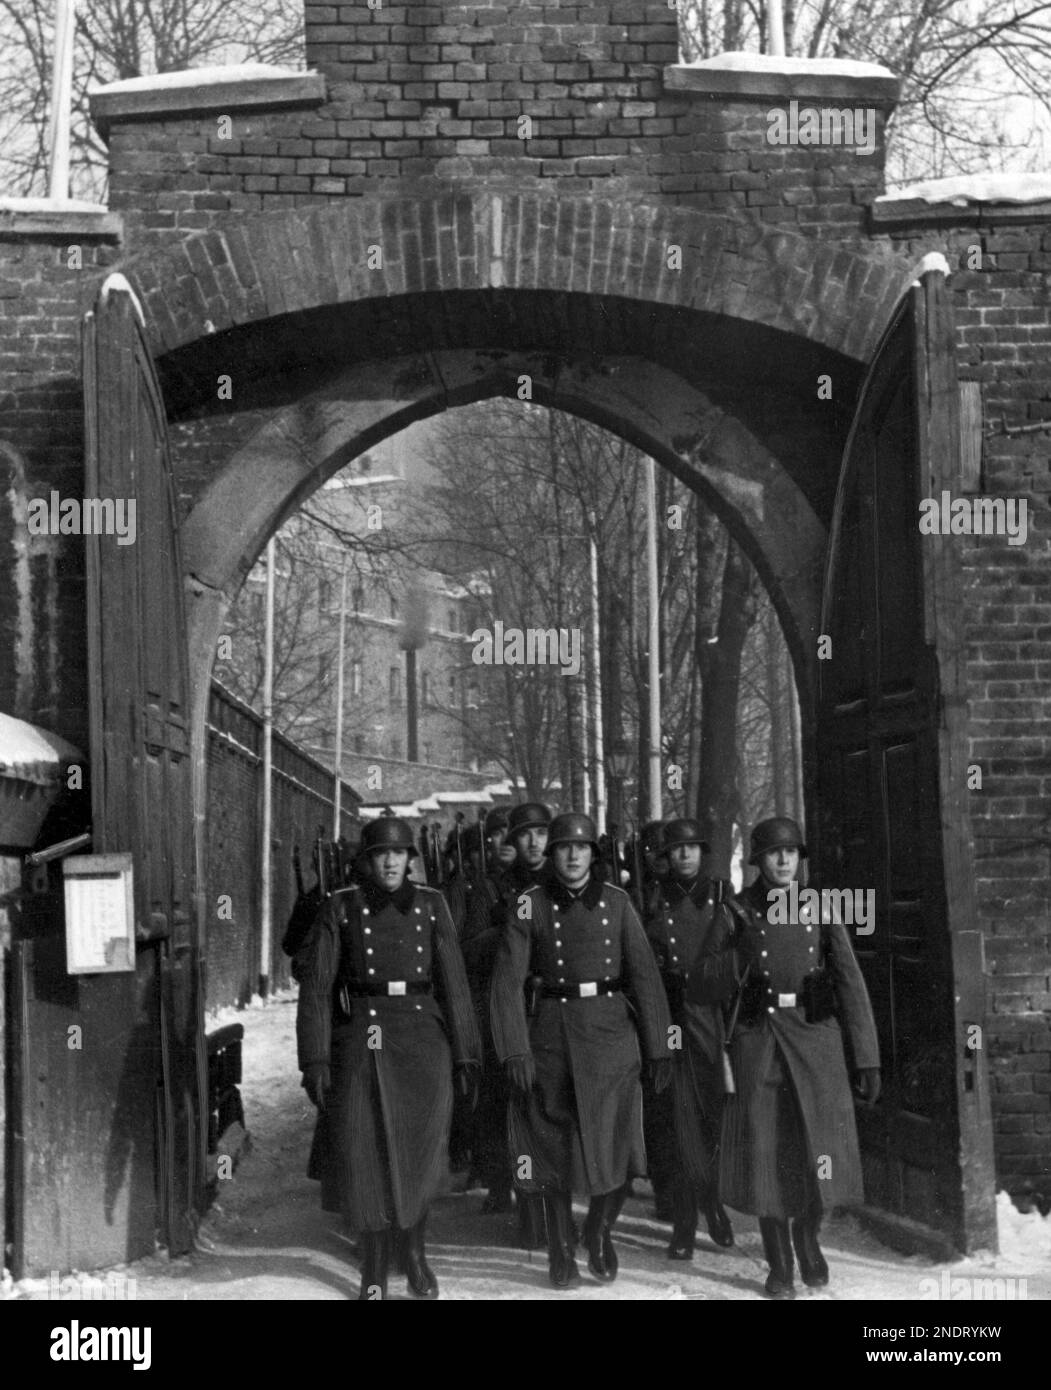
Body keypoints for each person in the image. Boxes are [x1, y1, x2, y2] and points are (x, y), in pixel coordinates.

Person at [692, 816, 881, 1298]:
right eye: (774, 853)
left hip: (816, 1041)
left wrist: (866, 1058)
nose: (783, 861)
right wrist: (736, 962)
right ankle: (779, 1263)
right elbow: (700, 982)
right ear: (757, 860)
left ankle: (808, 1234)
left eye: (791, 853)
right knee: (768, 1153)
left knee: (824, 1149)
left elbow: (849, 982)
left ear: (800, 859)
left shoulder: (821, 907)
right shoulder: (736, 911)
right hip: (760, 1042)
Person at [296, 815, 481, 1300]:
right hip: (361, 1038)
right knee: (365, 1155)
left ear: (411, 859)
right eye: (382, 854)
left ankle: (415, 1254)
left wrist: (467, 1055)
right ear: (367, 860)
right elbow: (315, 989)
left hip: (422, 1040)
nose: (391, 861)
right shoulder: (340, 908)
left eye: (399, 853)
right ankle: (374, 1267)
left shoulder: (433, 905)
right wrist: (314, 1059)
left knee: (419, 1153)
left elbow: (455, 986)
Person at [491, 811, 673, 1289]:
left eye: (582, 847)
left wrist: (660, 1047)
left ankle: (598, 1228)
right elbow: (506, 983)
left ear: (595, 853)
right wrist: (514, 1049)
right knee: (552, 1153)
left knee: (615, 1147)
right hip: (550, 1038)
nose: (573, 855)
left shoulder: (617, 903)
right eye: (563, 847)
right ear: (552, 855)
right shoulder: (529, 904)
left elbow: (647, 980)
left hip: (612, 1038)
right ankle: (560, 1249)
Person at [644, 817, 735, 1259]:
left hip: (713, 1017)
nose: (684, 856)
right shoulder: (655, 897)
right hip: (671, 1016)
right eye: (677, 849)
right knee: (677, 1121)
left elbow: (742, 954)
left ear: (703, 852)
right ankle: (683, 1223)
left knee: (714, 1118)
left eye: (692, 848)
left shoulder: (721, 895)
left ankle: (713, 1203)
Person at [462, 802, 550, 1243]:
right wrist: (507, 926)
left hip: (550, 1009)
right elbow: (470, 950)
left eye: (541, 833)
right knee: (505, 1103)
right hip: (506, 1005)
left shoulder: (560, 885)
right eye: (525, 834)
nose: (533, 842)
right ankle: (505, 1184)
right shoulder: (491, 888)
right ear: (513, 841)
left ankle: (545, 1199)